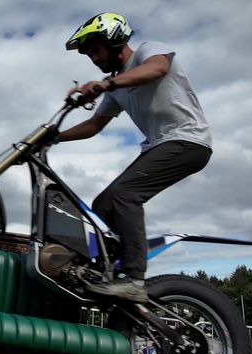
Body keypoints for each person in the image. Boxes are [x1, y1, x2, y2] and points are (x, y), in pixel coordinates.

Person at [56, 12, 213, 303]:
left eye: (95, 50)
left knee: (124, 195)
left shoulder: (147, 52)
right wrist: (53, 136)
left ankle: (134, 278)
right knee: (103, 204)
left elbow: (157, 69)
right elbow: (93, 126)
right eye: (88, 54)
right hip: (158, 145)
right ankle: (109, 276)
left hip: (188, 140)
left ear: (114, 40)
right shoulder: (116, 86)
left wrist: (106, 85)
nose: (93, 58)